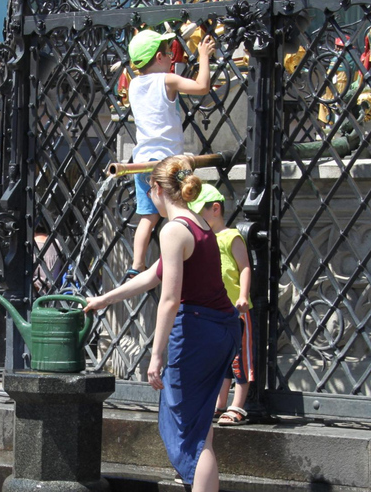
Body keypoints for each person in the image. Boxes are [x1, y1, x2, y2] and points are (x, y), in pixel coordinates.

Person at [84, 156, 240, 492]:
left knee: (189, 433)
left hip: (199, 331)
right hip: (222, 328)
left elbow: (169, 299)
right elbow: (153, 276)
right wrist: (104, 299)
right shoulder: (198, 224)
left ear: (156, 189)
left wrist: (156, 356)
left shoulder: (172, 230)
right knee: (200, 429)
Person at [125, 28, 216, 280]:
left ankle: (137, 263)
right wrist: (204, 56)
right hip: (167, 162)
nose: (172, 58)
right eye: (168, 53)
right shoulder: (167, 80)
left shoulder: (133, 85)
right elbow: (202, 86)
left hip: (142, 162)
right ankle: (177, 256)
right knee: (177, 209)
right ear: (158, 58)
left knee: (147, 216)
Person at [188, 184, 254, 426]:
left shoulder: (230, 236)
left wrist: (244, 295)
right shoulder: (205, 239)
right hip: (215, 310)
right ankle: (220, 403)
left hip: (236, 310)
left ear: (215, 209)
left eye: (199, 213)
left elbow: (245, 266)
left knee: (240, 359)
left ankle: (238, 406)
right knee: (221, 359)